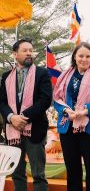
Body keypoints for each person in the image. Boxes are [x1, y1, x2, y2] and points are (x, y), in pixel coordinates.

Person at [0, 38, 52, 191]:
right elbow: (1, 101)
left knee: (38, 175)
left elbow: (45, 100)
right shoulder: (6, 76)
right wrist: (11, 118)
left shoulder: (42, 73)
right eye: (25, 50)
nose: (29, 53)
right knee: (17, 173)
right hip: (13, 131)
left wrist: (22, 117)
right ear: (15, 54)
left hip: (35, 130)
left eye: (31, 50)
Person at [53, 42, 90, 191]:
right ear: (75, 56)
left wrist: (85, 110)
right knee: (73, 171)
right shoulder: (64, 76)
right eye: (81, 55)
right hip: (68, 128)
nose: (84, 59)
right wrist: (66, 111)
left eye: (88, 56)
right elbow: (57, 99)